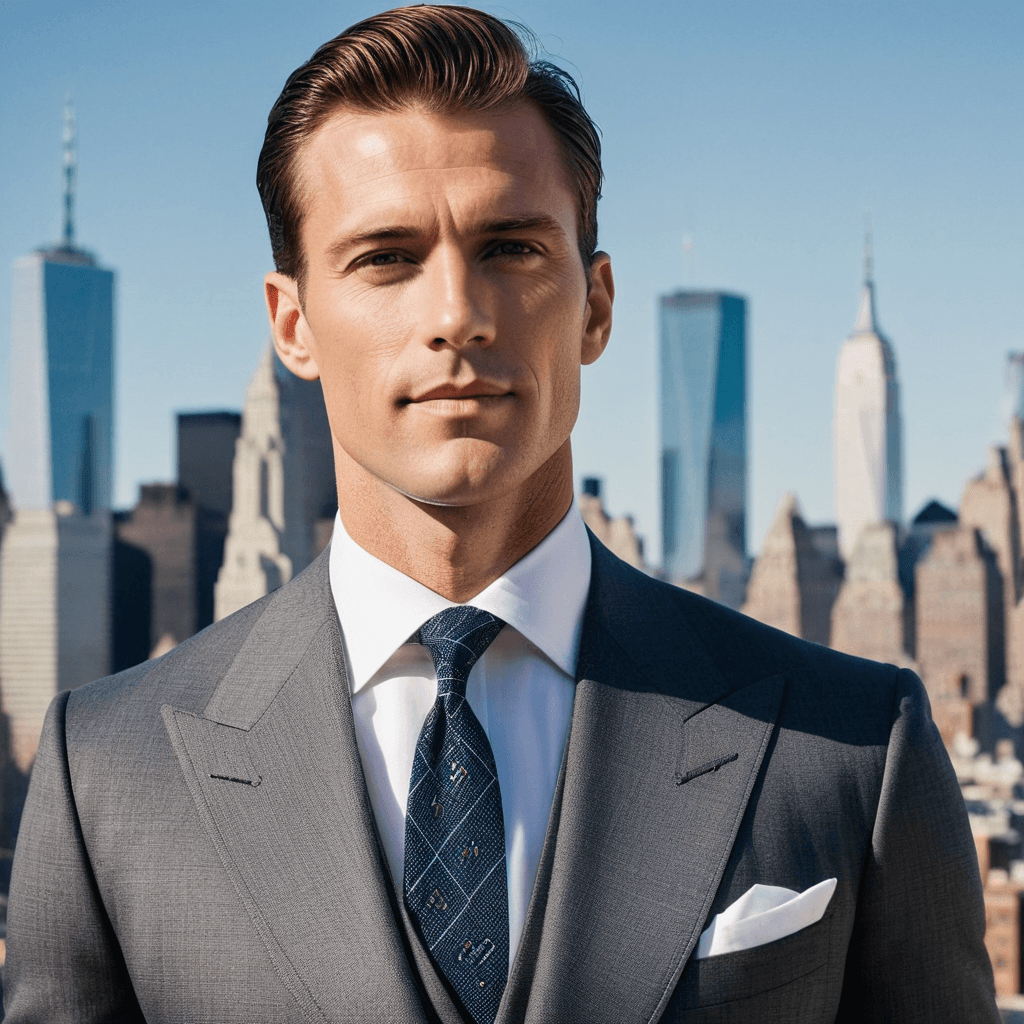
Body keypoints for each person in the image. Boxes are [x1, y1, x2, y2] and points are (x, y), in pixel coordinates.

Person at [3, 7, 1000, 1023]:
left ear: (596, 307)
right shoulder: (108, 774)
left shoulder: (851, 744)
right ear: (292, 324)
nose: (456, 315)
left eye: (511, 247)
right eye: (386, 257)